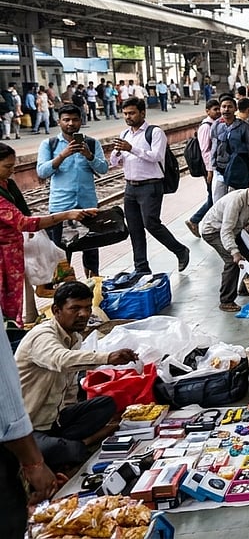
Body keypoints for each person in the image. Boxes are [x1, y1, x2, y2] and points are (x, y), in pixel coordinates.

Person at [16, 281, 137, 470]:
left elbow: (70, 385)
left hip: (55, 420)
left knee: (106, 404)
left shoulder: (75, 338)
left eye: (87, 308)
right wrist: (107, 357)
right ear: (56, 310)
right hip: (29, 428)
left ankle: (64, 441)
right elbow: (61, 360)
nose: (84, 314)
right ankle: (84, 441)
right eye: (75, 308)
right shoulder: (42, 335)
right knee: (71, 451)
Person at [0, 144, 94, 323]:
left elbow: (24, 212)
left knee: (12, 301)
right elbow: (23, 222)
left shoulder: (6, 183)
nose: (12, 171)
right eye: (7, 167)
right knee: (6, 303)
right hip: (3, 256)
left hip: (13, 252)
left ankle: (15, 327)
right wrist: (66, 214)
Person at [110, 98, 191, 274]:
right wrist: (117, 154)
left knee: (151, 223)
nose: (128, 117)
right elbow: (115, 163)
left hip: (151, 185)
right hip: (130, 186)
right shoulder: (125, 134)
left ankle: (180, 250)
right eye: (125, 114)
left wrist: (131, 149)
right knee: (134, 228)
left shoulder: (155, 132)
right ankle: (141, 267)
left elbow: (156, 156)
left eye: (132, 113)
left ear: (142, 113)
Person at [36, 105, 108, 278]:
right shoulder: (49, 144)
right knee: (61, 253)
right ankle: (63, 288)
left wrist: (89, 156)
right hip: (61, 208)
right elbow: (42, 172)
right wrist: (62, 155)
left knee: (91, 252)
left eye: (75, 120)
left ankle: (93, 285)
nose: (70, 123)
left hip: (87, 206)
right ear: (59, 122)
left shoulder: (92, 143)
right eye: (66, 120)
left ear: (80, 121)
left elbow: (104, 168)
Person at [1, 332, 58, 537]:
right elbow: (5, 400)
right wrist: (34, 463)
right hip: (26, 433)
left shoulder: (74, 339)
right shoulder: (44, 337)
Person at [199, 177, 249, 313]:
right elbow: (226, 230)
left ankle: (245, 287)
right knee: (232, 261)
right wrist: (234, 251)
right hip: (214, 231)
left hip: (236, 230)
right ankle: (226, 300)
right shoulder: (236, 200)